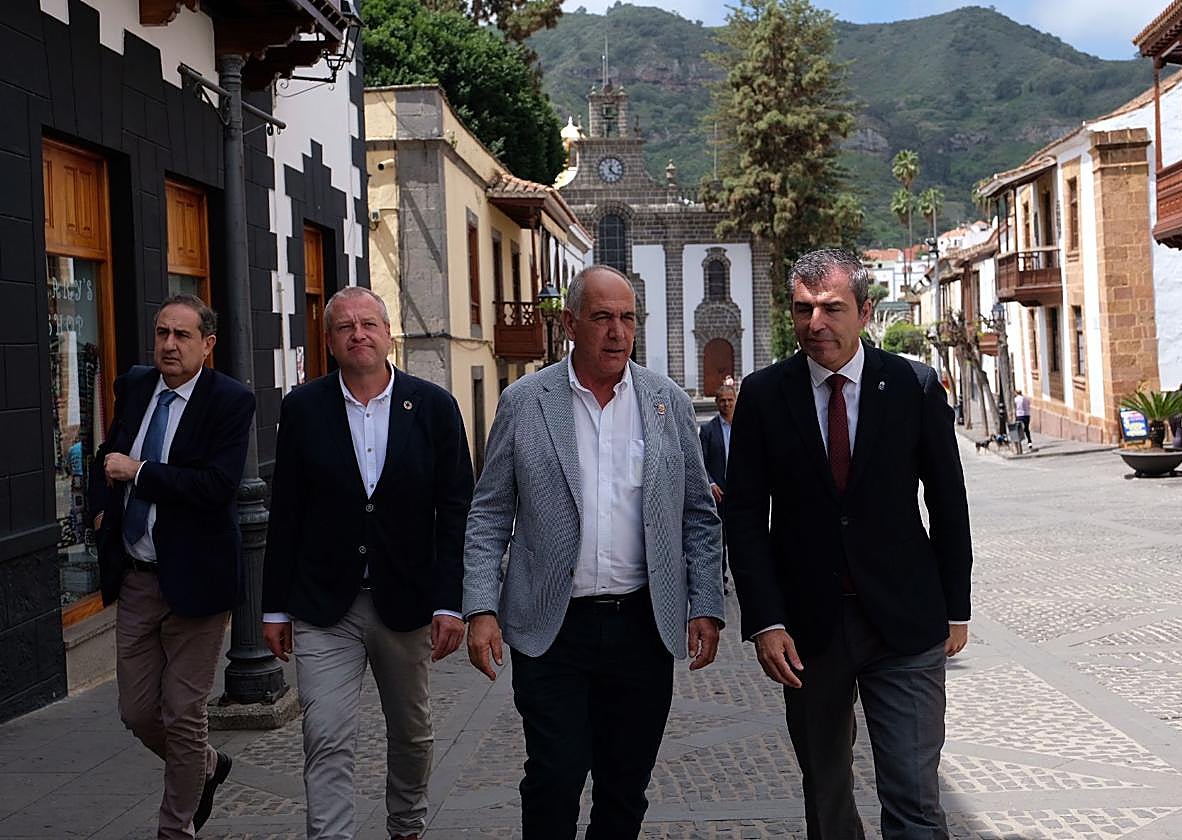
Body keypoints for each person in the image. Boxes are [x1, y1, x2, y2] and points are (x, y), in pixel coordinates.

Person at [462, 265, 724, 840]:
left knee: (625, 785)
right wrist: (480, 607)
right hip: (553, 628)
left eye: (627, 318)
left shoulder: (667, 402)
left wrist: (706, 603)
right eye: (602, 317)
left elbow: (698, 515)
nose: (617, 331)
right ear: (570, 323)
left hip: (643, 627)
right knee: (554, 776)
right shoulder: (525, 402)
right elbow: (489, 512)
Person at [724, 249, 972, 840]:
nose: (816, 323)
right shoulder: (764, 395)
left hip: (905, 621)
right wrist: (765, 620)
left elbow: (948, 501)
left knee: (915, 800)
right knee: (827, 796)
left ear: (864, 311)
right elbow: (744, 516)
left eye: (832, 308)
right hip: (807, 630)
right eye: (803, 309)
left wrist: (956, 607)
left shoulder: (912, 385)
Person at [261, 286, 474, 840]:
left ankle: (406, 824)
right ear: (329, 341)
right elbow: (286, 511)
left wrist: (452, 602)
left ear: (387, 335)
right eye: (344, 327)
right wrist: (275, 607)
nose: (358, 334)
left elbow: (457, 510)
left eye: (368, 324)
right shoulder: (303, 409)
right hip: (324, 604)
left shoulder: (433, 407)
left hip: (406, 601)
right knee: (326, 734)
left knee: (412, 732)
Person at [88, 294, 254, 839]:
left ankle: (175, 828)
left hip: (197, 582)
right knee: (138, 712)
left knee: (183, 712)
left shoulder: (229, 401)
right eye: (162, 332)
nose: (169, 344)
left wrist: (140, 472)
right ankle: (206, 765)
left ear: (208, 344)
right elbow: (108, 455)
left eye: (182, 335)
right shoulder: (136, 386)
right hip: (137, 576)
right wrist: (100, 508)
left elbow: (216, 486)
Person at [700, 383, 736, 591]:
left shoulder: (745, 426)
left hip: (741, 493)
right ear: (716, 403)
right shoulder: (708, 430)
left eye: (730, 400)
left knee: (742, 539)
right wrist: (710, 483)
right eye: (722, 400)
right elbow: (700, 463)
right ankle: (720, 579)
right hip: (718, 494)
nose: (726, 404)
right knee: (718, 540)